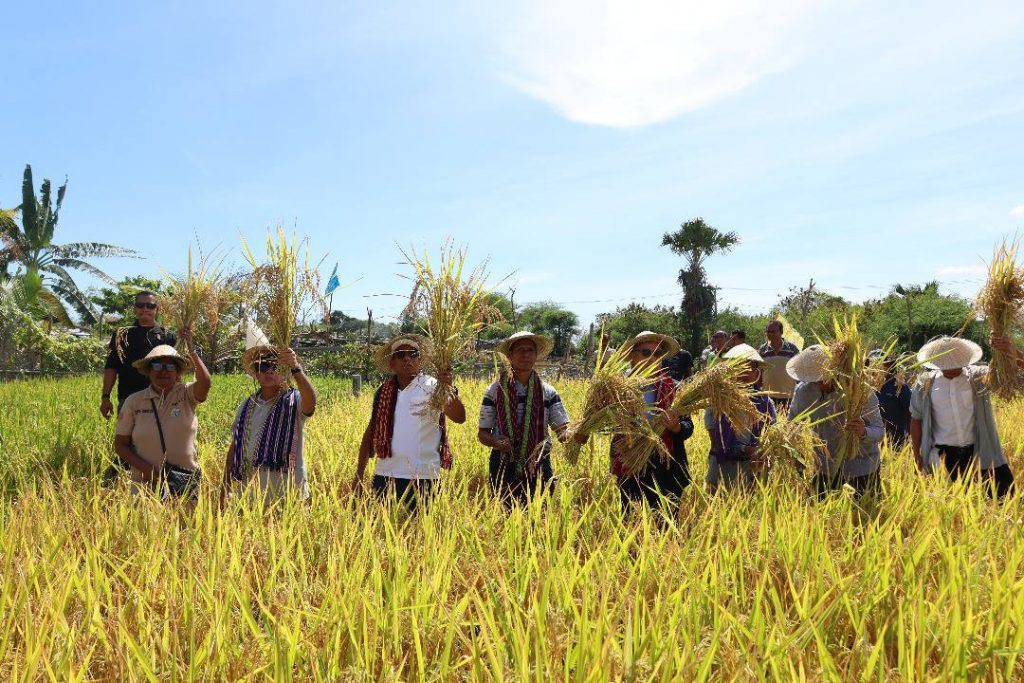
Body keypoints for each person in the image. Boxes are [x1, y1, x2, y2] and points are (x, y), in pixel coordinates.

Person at [354, 334, 466, 509]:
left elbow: (459, 418)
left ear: (420, 360)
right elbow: (371, 432)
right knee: (381, 525)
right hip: (385, 475)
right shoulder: (383, 392)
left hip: (424, 477)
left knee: (421, 526)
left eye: (413, 354)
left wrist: (448, 388)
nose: (407, 358)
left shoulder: (434, 386)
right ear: (392, 363)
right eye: (401, 355)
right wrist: (359, 475)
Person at [478, 331, 586, 505]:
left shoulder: (548, 392)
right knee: (504, 513)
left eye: (530, 350)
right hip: (503, 462)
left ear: (536, 356)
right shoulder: (495, 391)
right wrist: (496, 441)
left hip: (539, 461)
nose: (525, 354)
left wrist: (577, 434)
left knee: (541, 513)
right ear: (510, 355)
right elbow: (483, 434)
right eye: (520, 350)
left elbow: (562, 431)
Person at [909, 336, 1014, 498]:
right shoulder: (925, 384)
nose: (951, 368)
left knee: (1005, 499)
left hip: (980, 451)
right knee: (954, 506)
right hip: (944, 458)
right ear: (937, 363)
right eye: (946, 364)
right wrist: (917, 456)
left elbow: (1009, 373)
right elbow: (916, 419)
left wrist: (1008, 351)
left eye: (955, 363)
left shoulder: (978, 377)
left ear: (964, 359)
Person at [223, 329, 317, 505]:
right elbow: (235, 445)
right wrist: (225, 487)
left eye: (275, 366)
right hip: (250, 494)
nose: (269, 371)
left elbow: (311, 403)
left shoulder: (294, 400)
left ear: (285, 370)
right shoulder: (246, 406)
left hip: (287, 493)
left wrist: (296, 368)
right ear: (256, 372)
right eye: (263, 366)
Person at [113, 340, 210, 500]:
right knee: (143, 516)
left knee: (185, 516)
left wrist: (192, 352)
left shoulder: (186, 394)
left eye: (170, 367)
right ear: (149, 371)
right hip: (145, 484)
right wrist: (147, 470)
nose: (163, 371)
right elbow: (120, 445)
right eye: (157, 366)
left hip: (184, 482)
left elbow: (205, 383)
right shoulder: (134, 401)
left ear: (177, 372)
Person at [787, 344, 884, 499]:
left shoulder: (860, 389)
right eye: (814, 380)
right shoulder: (803, 392)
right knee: (820, 511)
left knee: (864, 511)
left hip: (861, 467)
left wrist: (863, 432)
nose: (819, 384)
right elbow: (792, 425)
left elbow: (879, 431)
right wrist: (794, 452)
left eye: (822, 379)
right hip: (825, 466)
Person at [612, 331, 693, 510]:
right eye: (646, 353)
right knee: (631, 519)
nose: (653, 358)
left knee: (666, 521)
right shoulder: (617, 390)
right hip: (630, 466)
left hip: (666, 467)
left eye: (658, 353)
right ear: (632, 355)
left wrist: (676, 427)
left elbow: (688, 426)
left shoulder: (674, 388)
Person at [705, 343, 777, 491]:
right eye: (739, 367)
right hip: (724, 463)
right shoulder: (717, 399)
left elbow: (772, 432)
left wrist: (761, 451)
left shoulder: (765, 402)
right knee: (718, 499)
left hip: (754, 464)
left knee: (753, 499)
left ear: (756, 372)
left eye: (749, 367)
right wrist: (743, 449)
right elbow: (714, 437)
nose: (744, 372)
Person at [101, 290, 177, 419]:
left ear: (157, 309)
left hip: (162, 399)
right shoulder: (122, 335)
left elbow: (177, 369)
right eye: (140, 305)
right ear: (135, 308)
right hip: (128, 398)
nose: (145, 309)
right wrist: (105, 397)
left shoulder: (167, 336)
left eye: (150, 306)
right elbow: (111, 367)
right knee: (126, 432)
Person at [869, 349, 911, 448]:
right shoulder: (866, 385)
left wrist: (910, 437)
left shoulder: (898, 385)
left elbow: (910, 412)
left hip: (896, 440)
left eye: (882, 363)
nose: (878, 367)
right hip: (871, 439)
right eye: (874, 364)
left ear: (889, 366)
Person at [758, 320, 800, 410]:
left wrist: (800, 391)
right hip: (768, 396)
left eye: (773, 331)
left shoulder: (792, 349)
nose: (770, 334)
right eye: (768, 331)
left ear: (781, 332)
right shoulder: (762, 349)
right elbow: (759, 372)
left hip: (789, 397)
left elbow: (798, 370)